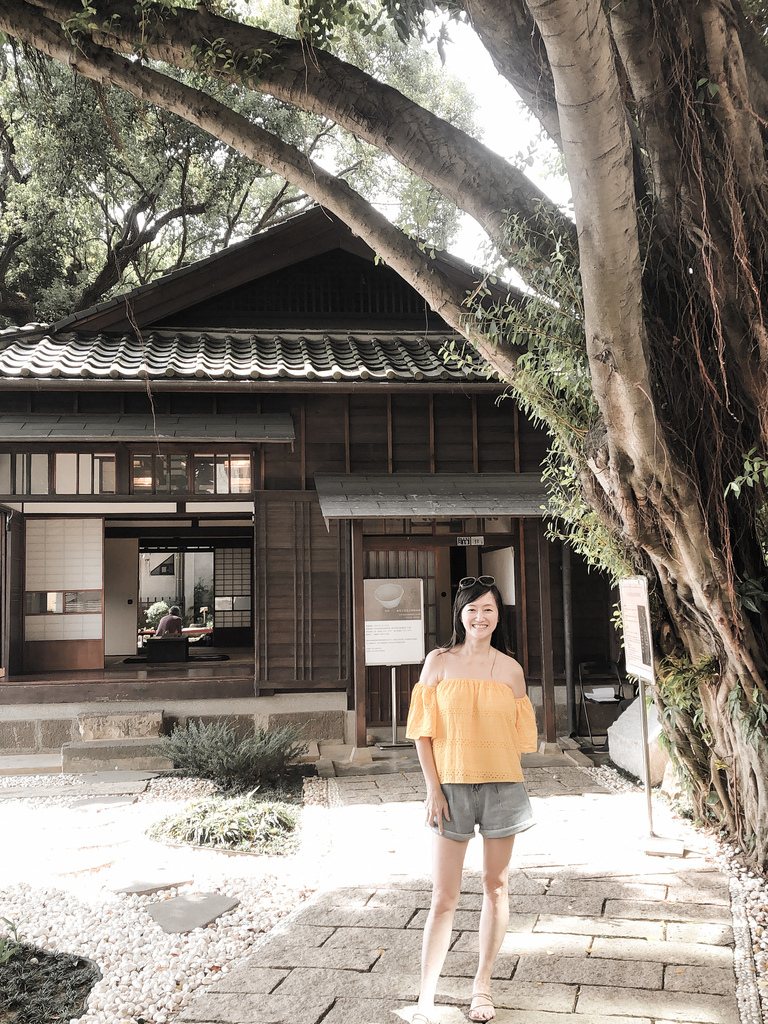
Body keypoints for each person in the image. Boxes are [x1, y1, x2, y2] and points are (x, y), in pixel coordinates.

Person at [405, 575, 538, 1024]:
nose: (480, 617)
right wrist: (432, 789)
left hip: (503, 787)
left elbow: (522, 740)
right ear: (459, 615)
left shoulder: (511, 670)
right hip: (451, 790)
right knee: (444, 896)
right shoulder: (438, 662)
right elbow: (421, 732)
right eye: (472, 609)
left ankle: (482, 987)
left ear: (499, 616)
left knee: (495, 886)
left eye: (489, 610)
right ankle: (426, 995)